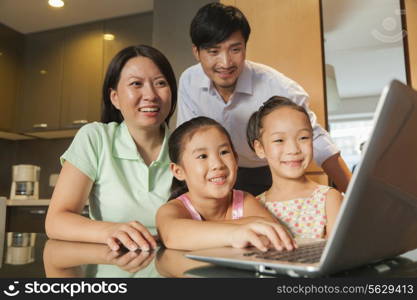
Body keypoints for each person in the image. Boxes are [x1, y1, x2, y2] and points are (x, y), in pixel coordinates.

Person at [177, 2, 352, 195]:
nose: (225, 63)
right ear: (197, 52)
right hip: (217, 172)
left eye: (235, 49)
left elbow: (319, 142)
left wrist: (355, 196)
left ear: (245, 46)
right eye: (213, 52)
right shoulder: (189, 81)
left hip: (267, 171)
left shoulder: (278, 87)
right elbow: (187, 140)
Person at [45, 45, 177, 252]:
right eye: (136, 84)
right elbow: (56, 221)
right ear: (115, 97)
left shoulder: (187, 147)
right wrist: (109, 231)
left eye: (160, 83)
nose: (150, 94)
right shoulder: (95, 138)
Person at [156, 116, 297, 252]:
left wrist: (197, 230)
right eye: (202, 156)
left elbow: (272, 232)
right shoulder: (172, 209)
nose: (217, 164)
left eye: (224, 152)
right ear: (178, 171)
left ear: (236, 159)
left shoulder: (245, 201)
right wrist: (237, 232)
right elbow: (172, 234)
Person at [246, 96, 343, 239]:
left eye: (303, 138)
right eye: (279, 140)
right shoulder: (253, 205)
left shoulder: (329, 198)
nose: (293, 149)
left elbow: (336, 255)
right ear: (260, 148)